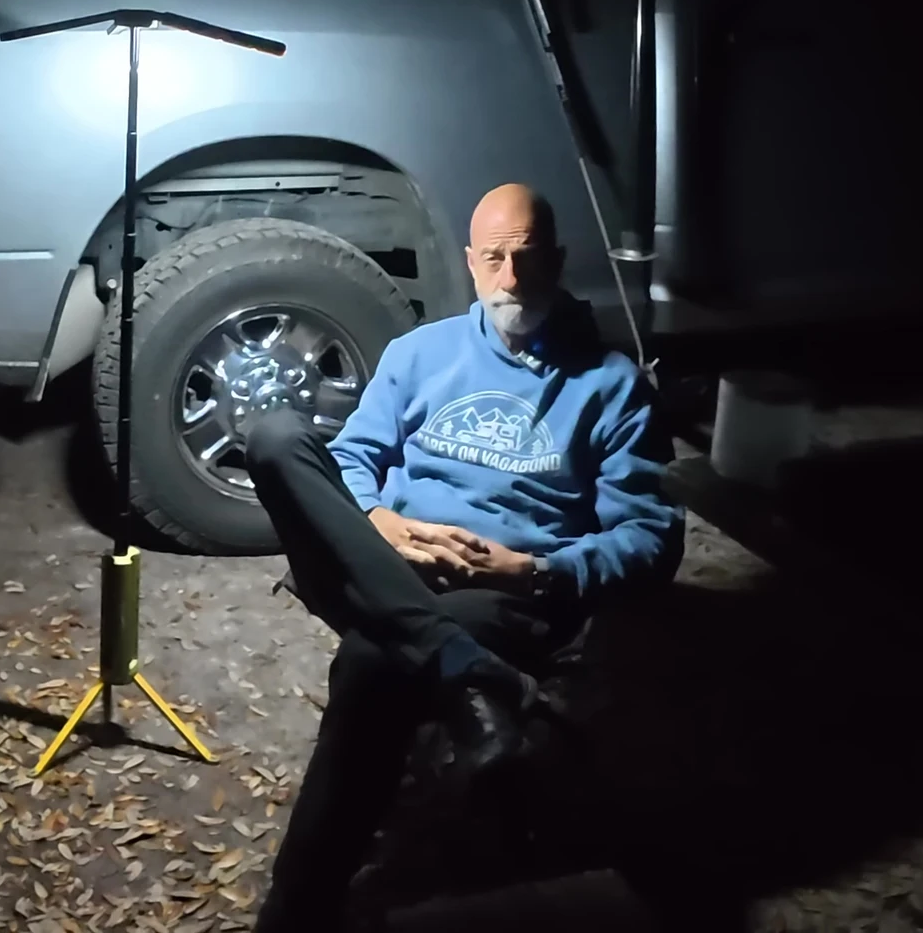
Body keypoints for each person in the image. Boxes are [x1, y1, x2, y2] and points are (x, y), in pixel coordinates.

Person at [245, 182, 684, 931]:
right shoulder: (419, 354)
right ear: (470, 262)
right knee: (276, 439)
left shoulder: (610, 387)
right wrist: (381, 522)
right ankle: (465, 671)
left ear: (558, 260)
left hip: (502, 589)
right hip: (388, 559)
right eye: (495, 259)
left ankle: (296, 909)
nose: (511, 278)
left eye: (528, 258)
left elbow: (651, 537)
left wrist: (534, 569)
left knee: (371, 661)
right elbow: (351, 459)